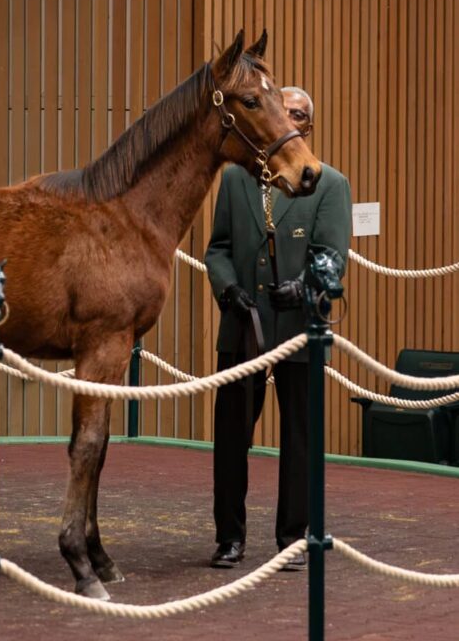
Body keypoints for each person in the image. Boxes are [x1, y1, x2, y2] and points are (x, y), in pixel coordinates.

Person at [204, 86, 351, 571]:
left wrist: (306, 285)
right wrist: (227, 291)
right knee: (230, 436)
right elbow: (218, 248)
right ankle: (229, 538)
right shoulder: (235, 180)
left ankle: (293, 537)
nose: (286, 117)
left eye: (297, 114)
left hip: (299, 326)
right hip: (243, 325)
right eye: (281, 109)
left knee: (300, 439)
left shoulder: (329, 184)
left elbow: (331, 256)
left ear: (306, 127)